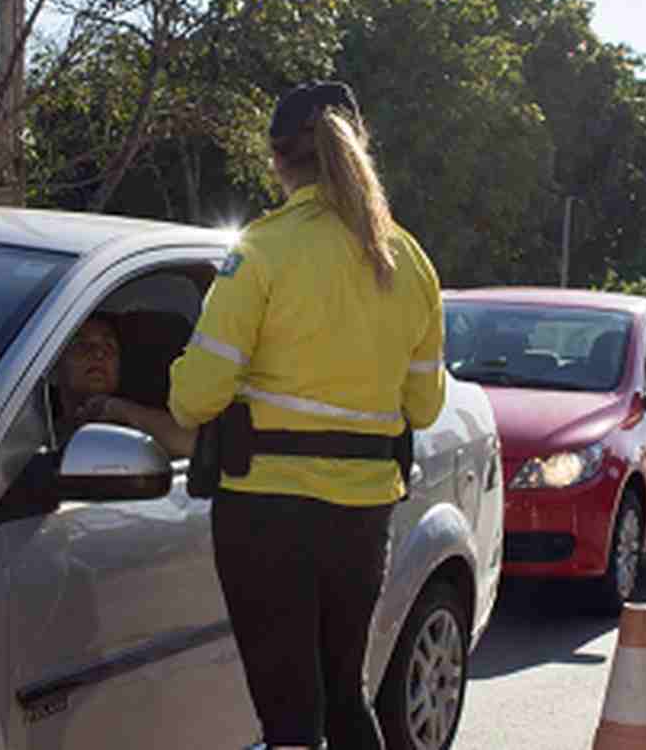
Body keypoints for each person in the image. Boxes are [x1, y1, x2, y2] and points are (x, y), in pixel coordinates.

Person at [167, 81, 445, 750]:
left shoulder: (265, 248)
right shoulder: (409, 261)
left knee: (291, 717)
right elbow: (425, 407)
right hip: (362, 518)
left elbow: (195, 397)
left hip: (266, 515)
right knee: (345, 697)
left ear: (277, 160)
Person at [54, 312, 195, 457]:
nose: (98, 354)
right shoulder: (37, 436)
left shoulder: (137, 432)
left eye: (109, 346)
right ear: (55, 365)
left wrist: (118, 409)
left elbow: (194, 445)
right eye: (81, 345)